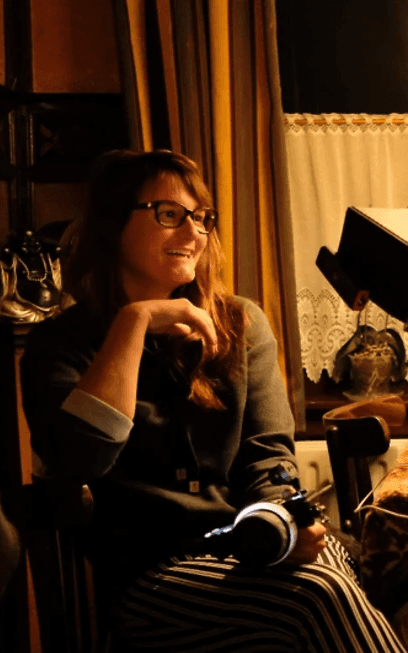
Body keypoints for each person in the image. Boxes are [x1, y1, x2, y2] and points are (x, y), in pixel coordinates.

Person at [20, 150, 406, 652]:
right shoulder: (61, 344)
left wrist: (280, 524)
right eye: (169, 214)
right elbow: (79, 459)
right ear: (113, 224)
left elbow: (268, 457)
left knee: (336, 574)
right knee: (318, 598)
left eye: (202, 217)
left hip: (253, 545)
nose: (194, 231)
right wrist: (133, 323)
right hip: (153, 578)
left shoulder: (240, 323)